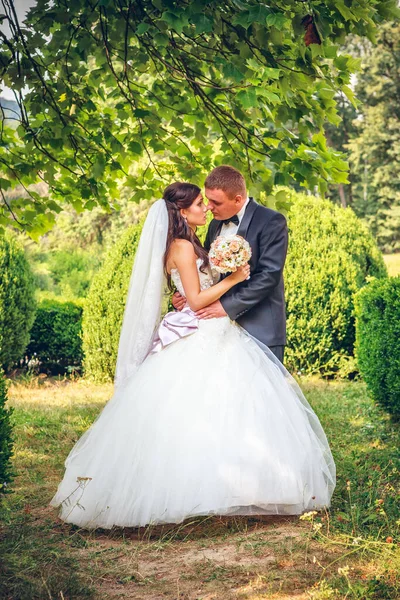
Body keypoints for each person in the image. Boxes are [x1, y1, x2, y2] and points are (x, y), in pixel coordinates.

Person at [50, 182, 335, 530]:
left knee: (231, 405)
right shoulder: (183, 246)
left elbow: (193, 291)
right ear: (183, 212)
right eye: (201, 204)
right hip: (204, 330)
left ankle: (245, 486)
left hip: (216, 329)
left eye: (208, 202)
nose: (207, 209)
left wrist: (192, 293)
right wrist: (234, 279)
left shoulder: (195, 240)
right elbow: (199, 300)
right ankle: (202, 489)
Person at [173, 165, 287, 364]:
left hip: (260, 327)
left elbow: (269, 275)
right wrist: (186, 293)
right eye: (206, 200)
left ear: (238, 199)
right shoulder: (215, 223)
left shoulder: (271, 221)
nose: (208, 207)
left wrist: (226, 307)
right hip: (217, 331)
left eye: (215, 202)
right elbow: (206, 269)